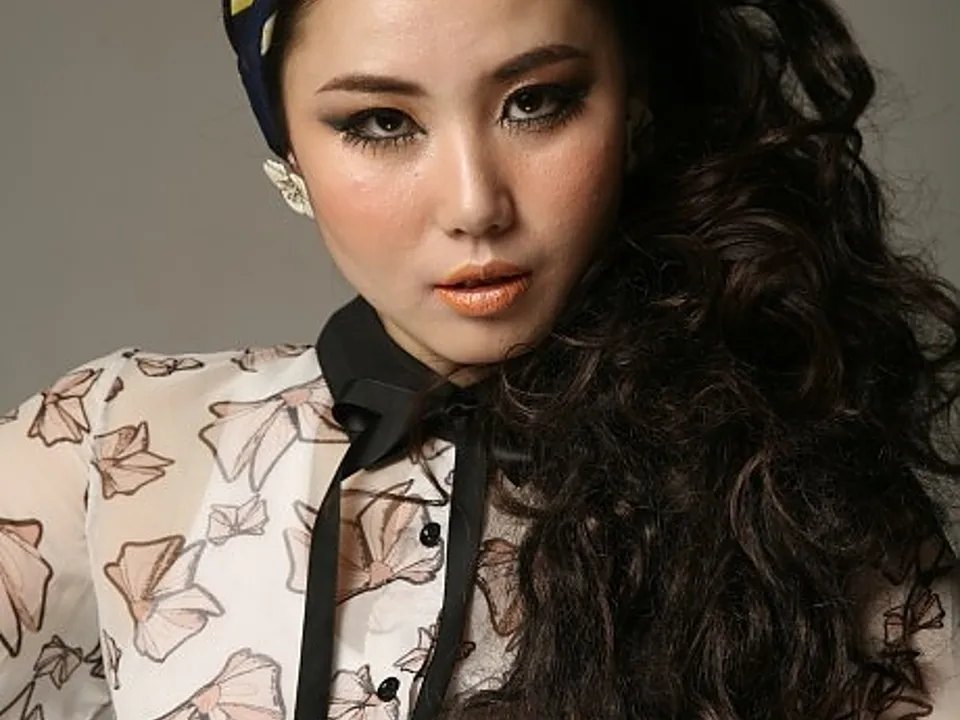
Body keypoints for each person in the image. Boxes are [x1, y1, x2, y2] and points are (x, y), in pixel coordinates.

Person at [1, 0, 958, 717]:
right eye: (381, 122)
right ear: (288, 150)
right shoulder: (113, 447)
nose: (474, 205)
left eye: (536, 102)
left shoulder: (794, 489)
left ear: (633, 109)